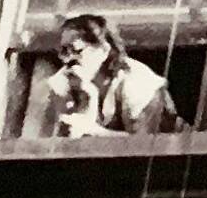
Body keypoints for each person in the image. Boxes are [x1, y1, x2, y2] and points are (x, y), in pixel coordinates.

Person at [45, 13, 183, 135]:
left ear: (104, 49)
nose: (67, 60)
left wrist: (92, 132)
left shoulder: (137, 82)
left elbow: (142, 144)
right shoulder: (64, 79)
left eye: (77, 51)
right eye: (64, 51)